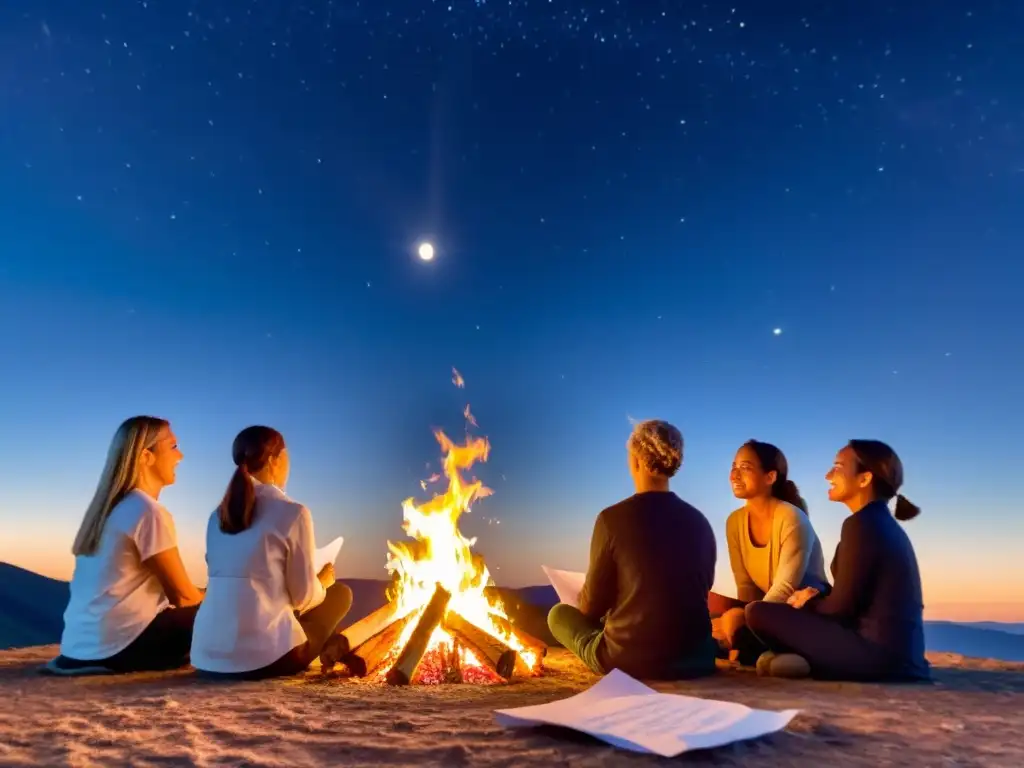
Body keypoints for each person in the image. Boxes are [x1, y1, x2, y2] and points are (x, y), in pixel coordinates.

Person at [745, 439, 931, 681]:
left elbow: (840, 609)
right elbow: (854, 598)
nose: (828, 475)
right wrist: (818, 596)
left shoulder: (862, 524)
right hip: (901, 657)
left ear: (864, 479)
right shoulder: (878, 522)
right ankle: (796, 660)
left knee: (757, 612)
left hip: (876, 657)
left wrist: (807, 602)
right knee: (798, 602)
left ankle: (800, 659)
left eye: (838, 467)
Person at [547, 419, 718, 680]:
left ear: (637, 461)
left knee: (558, 615)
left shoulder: (611, 519)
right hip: (697, 658)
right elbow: (699, 589)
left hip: (630, 660)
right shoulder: (700, 522)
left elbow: (591, 608)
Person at [44, 416, 204, 675]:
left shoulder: (110, 510)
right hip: (123, 648)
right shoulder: (147, 511)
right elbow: (182, 596)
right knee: (235, 612)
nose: (181, 456)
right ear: (146, 456)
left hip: (79, 649)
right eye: (173, 447)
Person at [191, 426, 353, 679]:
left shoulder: (217, 516)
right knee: (340, 594)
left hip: (208, 655)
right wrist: (322, 582)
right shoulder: (294, 513)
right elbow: (302, 597)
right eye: (287, 457)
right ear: (274, 460)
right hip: (266, 659)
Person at [708, 440, 828, 661]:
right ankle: (749, 647)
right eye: (733, 466)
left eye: (745, 467)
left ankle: (745, 648)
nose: (734, 475)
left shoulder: (791, 517)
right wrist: (741, 616)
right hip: (764, 612)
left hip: (804, 611)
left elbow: (784, 588)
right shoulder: (734, 522)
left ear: (770, 477)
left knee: (733, 619)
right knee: (716, 608)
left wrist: (748, 619)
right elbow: (746, 587)